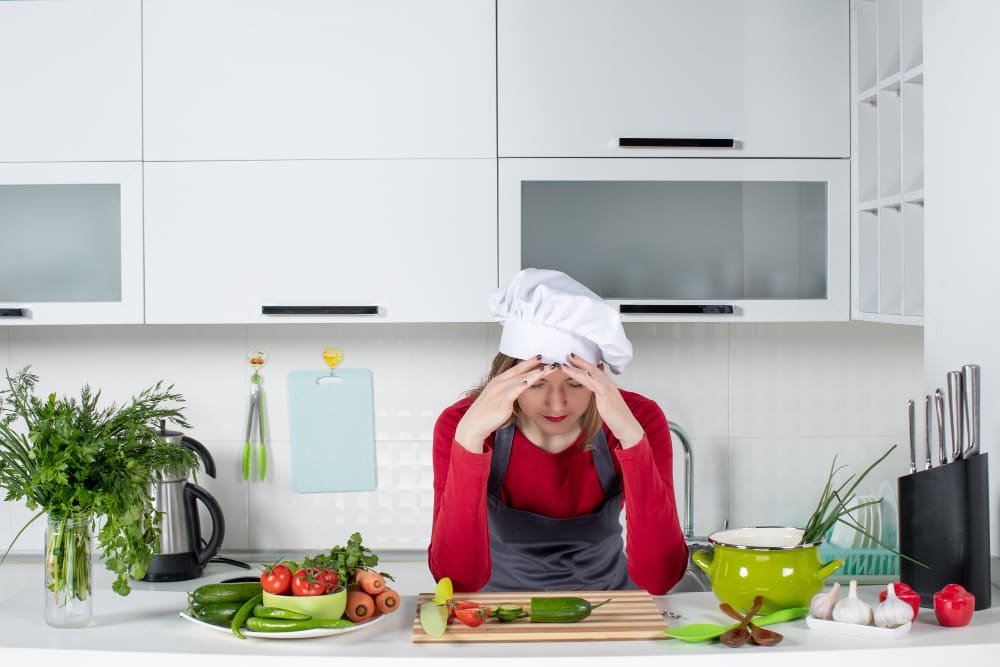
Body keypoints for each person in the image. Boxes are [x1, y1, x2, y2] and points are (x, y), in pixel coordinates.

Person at [428, 268, 688, 593]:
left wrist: (633, 440)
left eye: (575, 384)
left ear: (597, 378)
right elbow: (457, 580)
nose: (557, 404)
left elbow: (660, 578)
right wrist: (469, 442)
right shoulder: (463, 424)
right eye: (536, 384)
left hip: (612, 612)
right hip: (497, 618)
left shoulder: (637, 419)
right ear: (507, 376)